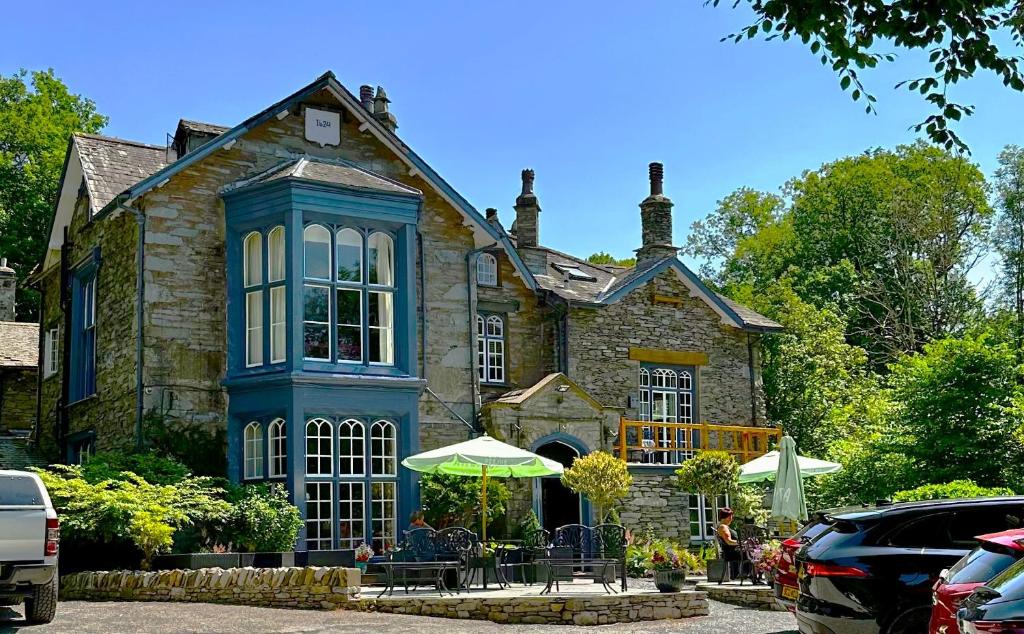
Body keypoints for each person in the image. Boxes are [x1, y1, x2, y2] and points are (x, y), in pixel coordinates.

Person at [716, 507, 741, 580]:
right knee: (755, 553)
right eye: (730, 516)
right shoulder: (723, 527)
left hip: (734, 551)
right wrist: (742, 543)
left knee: (755, 552)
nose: (731, 519)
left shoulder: (724, 526)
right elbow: (729, 542)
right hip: (732, 553)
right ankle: (751, 575)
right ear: (727, 517)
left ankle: (750, 575)